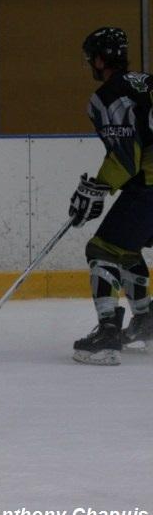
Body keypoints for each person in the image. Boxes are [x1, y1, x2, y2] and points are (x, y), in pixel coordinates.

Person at [69, 27, 153, 365]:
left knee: (102, 250)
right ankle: (146, 322)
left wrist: (98, 187)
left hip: (149, 187)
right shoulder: (147, 82)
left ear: (100, 59)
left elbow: (126, 155)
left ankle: (107, 336)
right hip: (146, 186)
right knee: (126, 248)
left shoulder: (107, 95)